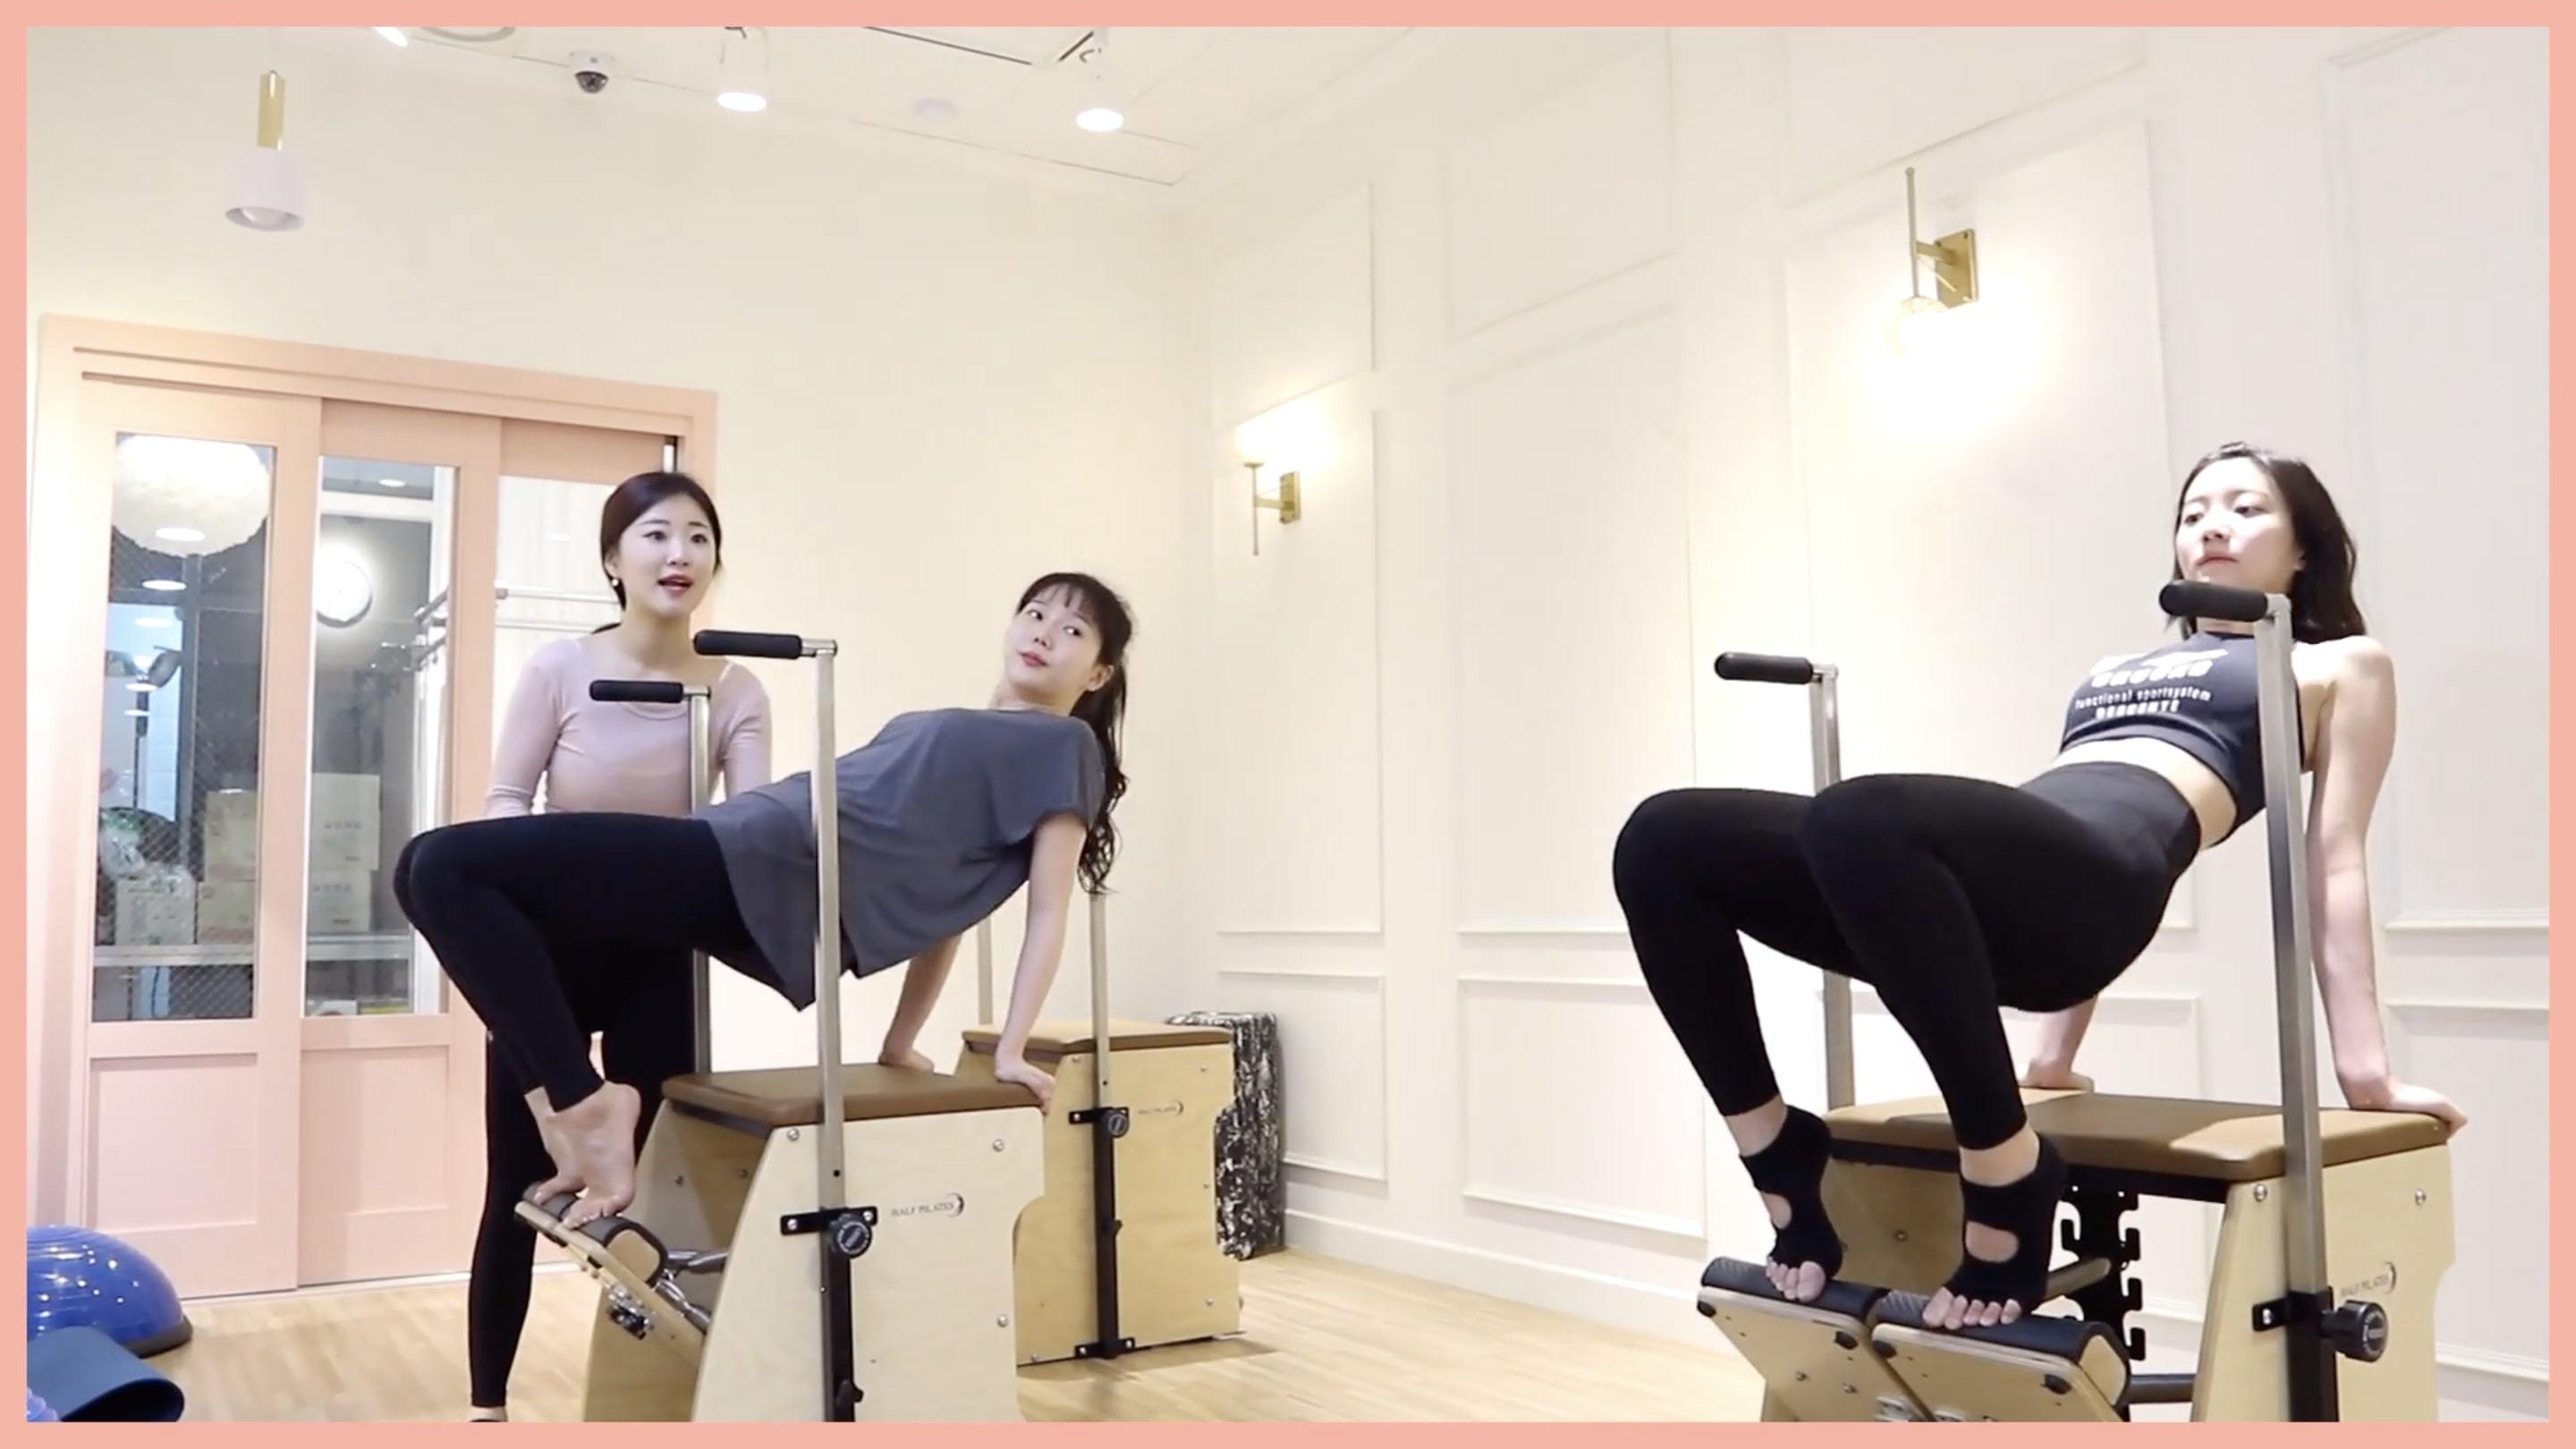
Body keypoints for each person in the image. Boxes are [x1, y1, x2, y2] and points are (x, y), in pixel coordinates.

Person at [1610, 442, 2466, 1335]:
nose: (2212, 526)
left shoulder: (2338, 664)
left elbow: (2334, 856)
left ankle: (2005, 1172)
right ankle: (1776, 1151)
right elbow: (2043, 844)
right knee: (1666, 837)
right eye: (2193, 513)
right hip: (2009, 896)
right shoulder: (2111, 671)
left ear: (2304, 547)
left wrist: (2366, 1074)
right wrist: (2050, 1062)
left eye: (2246, 509)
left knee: (1858, 814)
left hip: (2105, 896)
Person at [393, 571, 1132, 1240]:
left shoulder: (1066, 747)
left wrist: (1010, 1048)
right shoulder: (973, 730)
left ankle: (580, 1102)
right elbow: (947, 905)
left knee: (443, 868)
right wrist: (900, 1041)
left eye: (1072, 629)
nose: (1044, 632)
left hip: (764, 867)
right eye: (1034, 613)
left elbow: (1047, 910)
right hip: (741, 840)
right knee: (434, 874)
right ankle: (564, 1105)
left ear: (1098, 672)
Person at [424, 470, 773, 1422]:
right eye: (655, 535)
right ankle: (489, 1407)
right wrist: (519, 899)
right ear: (614, 560)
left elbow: (749, 830)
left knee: (655, 1183)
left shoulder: (736, 687)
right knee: (518, 1181)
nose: (678, 554)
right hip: (547, 960)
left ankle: (659, 1391)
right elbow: (505, 802)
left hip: (660, 956)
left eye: (697, 536)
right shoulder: (560, 669)